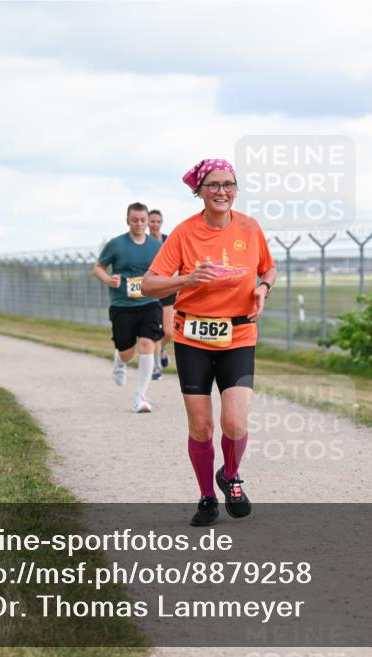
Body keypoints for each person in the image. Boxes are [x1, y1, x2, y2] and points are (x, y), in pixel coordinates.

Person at [142, 158, 277, 527]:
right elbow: (149, 283)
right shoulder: (184, 234)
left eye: (228, 184)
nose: (222, 191)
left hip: (239, 334)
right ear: (199, 191)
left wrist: (263, 288)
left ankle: (230, 477)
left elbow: (269, 267)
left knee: (234, 422)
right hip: (193, 337)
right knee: (201, 427)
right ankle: (206, 497)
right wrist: (187, 280)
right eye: (213, 185)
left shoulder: (249, 228)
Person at [92, 202, 164, 413]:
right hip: (122, 305)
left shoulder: (155, 246)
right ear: (127, 221)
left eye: (143, 220)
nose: (139, 224)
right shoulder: (116, 244)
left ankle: (140, 397)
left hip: (149, 303)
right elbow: (98, 268)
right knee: (127, 353)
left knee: (147, 344)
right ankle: (119, 362)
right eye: (135, 220)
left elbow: (164, 270)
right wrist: (108, 279)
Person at [148, 209, 177, 380]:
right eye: (152, 221)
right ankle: (157, 367)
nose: (155, 225)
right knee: (155, 332)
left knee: (168, 332)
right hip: (152, 291)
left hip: (168, 290)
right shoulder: (144, 243)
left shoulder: (168, 241)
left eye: (158, 221)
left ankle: (162, 348)